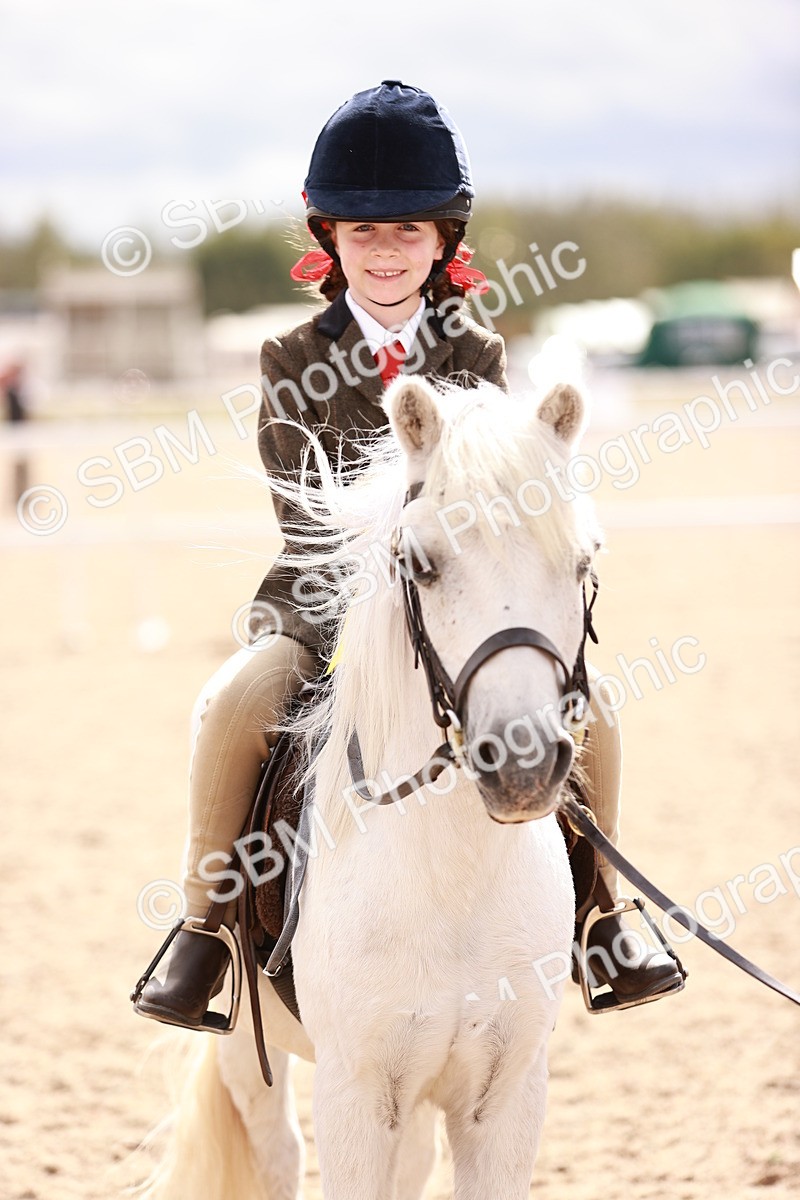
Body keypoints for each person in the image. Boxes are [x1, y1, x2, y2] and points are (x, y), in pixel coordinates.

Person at [133, 81, 683, 1031]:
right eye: (364, 233)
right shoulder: (290, 354)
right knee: (236, 700)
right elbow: (296, 506)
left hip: (462, 596)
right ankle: (204, 931)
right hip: (327, 600)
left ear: (442, 245)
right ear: (331, 241)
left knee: (593, 708)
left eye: (407, 234)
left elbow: (509, 491)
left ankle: (605, 914)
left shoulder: (475, 346)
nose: (385, 253)